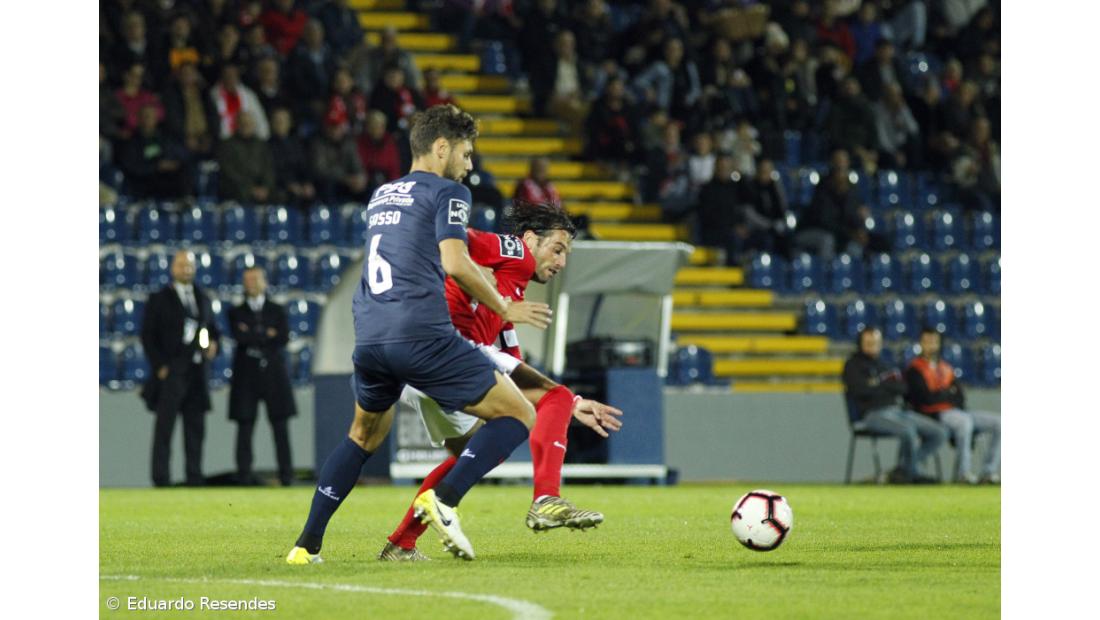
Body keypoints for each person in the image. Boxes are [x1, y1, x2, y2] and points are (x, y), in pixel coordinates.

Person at [286, 105, 554, 565]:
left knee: (362, 436)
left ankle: (305, 545)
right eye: (467, 154)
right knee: (518, 414)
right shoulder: (448, 191)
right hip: (420, 333)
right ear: (442, 147)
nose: (470, 166)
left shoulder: (383, 194)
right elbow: (454, 261)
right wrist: (502, 305)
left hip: (370, 333)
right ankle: (443, 499)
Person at [380, 202, 624, 560]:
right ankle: (546, 499)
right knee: (550, 397)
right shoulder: (514, 253)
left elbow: (511, 360)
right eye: (557, 250)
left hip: (420, 361)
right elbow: (454, 239)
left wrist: (572, 404)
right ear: (528, 239)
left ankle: (401, 543)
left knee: (475, 454)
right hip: (446, 347)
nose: (561, 263)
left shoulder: (508, 288)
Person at [140, 251, 221, 487]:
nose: (186, 269)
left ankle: (194, 476)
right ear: (172, 268)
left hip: (197, 372)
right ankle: (161, 478)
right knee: (165, 428)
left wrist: (213, 345)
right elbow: (148, 336)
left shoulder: (203, 297)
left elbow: (213, 330)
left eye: (189, 266)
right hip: (172, 371)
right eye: (181, 265)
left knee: (195, 428)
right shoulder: (159, 298)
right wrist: (160, 366)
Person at [843, 327, 947, 484]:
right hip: (872, 414)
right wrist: (886, 386)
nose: (872, 346)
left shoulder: (886, 364)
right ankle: (910, 474)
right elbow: (860, 391)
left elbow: (903, 387)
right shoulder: (852, 366)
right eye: (868, 343)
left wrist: (877, 385)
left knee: (939, 432)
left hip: (898, 411)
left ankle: (904, 469)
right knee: (908, 431)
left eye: (875, 343)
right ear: (860, 344)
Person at [905, 328, 1001, 484]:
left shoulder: (945, 368)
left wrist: (943, 394)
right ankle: (964, 473)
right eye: (927, 341)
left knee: (999, 423)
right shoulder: (914, 369)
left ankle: (988, 472)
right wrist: (947, 393)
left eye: (934, 341)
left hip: (957, 411)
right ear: (921, 344)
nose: (931, 345)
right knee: (964, 422)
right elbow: (924, 398)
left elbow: (960, 396)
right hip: (935, 415)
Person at [229, 267, 296, 486]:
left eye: (256, 279)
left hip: (274, 374)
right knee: (245, 426)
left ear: (265, 282)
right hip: (246, 376)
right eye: (247, 279)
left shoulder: (277, 310)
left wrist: (253, 333)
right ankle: (244, 476)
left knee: (280, 426)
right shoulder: (235, 312)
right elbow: (240, 336)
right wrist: (267, 333)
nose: (252, 284)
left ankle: (286, 475)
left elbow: (283, 337)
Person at [118, 103, 191, 200]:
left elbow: (181, 155)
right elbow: (131, 167)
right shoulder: (132, 141)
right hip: (144, 183)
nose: (148, 119)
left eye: (151, 116)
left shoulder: (165, 137)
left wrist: (172, 163)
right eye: (146, 116)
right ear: (139, 119)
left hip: (169, 180)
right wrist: (156, 166)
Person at [216, 112, 277, 204]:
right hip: (238, 187)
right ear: (237, 125)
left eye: (248, 124)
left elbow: (268, 168)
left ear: (254, 125)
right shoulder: (227, 145)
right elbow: (228, 172)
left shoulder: (261, 145)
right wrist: (250, 188)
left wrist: (265, 187)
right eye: (243, 124)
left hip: (260, 187)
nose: (246, 126)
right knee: (242, 194)